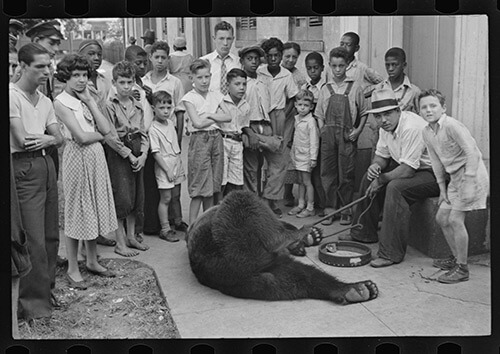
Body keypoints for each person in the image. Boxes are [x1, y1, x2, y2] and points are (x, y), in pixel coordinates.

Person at [348, 88, 440, 267]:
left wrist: (381, 179)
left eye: (388, 114)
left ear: (398, 111)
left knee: (395, 188)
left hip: (435, 174)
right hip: (411, 167)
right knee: (369, 176)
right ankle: (363, 233)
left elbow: (407, 171)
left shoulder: (412, 127)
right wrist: (375, 167)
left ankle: (390, 253)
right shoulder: (386, 127)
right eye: (379, 116)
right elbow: (382, 156)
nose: (383, 120)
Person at [53, 54, 118, 288]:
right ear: (65, 77)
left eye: (84, 75)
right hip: (77, 157)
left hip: (95, 157)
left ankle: (91, 260)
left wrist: (90, 101)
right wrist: (101, 137)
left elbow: (107, 127)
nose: (81, 80)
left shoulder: (84, 98)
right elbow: (81, 136)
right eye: (75, 76)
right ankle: (72, 267)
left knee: (93, 207)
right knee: (77, 210)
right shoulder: (60, 102)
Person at [10, 43, 64, 322]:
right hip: (23, 167)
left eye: (49, 65)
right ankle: (31, 306)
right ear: (22, 66)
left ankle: (47, 291)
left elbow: (60, 137)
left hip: (46, 164)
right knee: (32, 238)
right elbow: (23, 140)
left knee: (50, 235)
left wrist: (50, 139)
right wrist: (50, 138)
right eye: (39, 66)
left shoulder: (44, 100)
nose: (46, 71)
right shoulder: (11, 95)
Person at [420, 89, 489, 283]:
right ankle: (456, 259)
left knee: (455, 219)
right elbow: (435, 161)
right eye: (424, 107)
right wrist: (442, 188)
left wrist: (469, 181)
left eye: (433, 105)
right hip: (454, 179)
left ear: (443, 108)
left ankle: (462, 269)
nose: (428, 110)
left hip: (472, 175)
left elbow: (472, 153)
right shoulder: (426, 132)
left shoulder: (452, 126)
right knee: (442, 218)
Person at [314, 47, 368, 226]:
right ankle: (330, 209)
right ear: (329, 66)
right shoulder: (325, 89)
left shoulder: (355, 88)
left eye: (341, 66)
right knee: (327, 173)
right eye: (334, 66)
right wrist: (322, 130)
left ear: (347, 66)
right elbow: (319, 114)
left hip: (347, 136)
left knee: (346, 173)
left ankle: (345, 209)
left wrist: (358, 130)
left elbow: (364, 112)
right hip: (328, 137)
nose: (338, 70)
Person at [103, 61, 150, 257]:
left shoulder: (137, 105)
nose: (126, 87)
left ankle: (131, 236)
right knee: (122, 196)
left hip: (137, 148)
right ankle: (120, 241)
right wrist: (128, 154)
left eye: (129, 82)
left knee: (136, 195)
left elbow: (144, 132)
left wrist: (143, 154)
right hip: (119, 152)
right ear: (114, 82)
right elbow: (110, 136)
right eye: (121, 82)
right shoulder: (109, 105)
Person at [142, 41, 189, 235]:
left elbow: (179, 112)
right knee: (158, 187)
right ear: (151, 58)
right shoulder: (144, 81)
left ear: (168, 59)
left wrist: (178, 140)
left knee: (175, 189)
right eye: (156, 57)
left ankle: (176, 220)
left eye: (163, 57)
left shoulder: (174, 82)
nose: (160, 61)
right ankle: (158, 224)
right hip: (151, 137)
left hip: (170, 138)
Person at [180, 59, 231, 224]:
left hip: (216, 138)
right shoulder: (189, 98)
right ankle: (193, 225)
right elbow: (197, 123)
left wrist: (209, 115)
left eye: (207, 77)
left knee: (213, 185)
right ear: (192, 78)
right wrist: (215, 116)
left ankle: (207, 224)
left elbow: (228, 116)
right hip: (200, 140)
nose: (204, 81)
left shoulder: (216, 95)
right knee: (199, 186)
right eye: (200, 77)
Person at [257, 37, 299, 217]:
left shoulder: (286, 75)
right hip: (259, 117)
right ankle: (257, 201)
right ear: (265, 56)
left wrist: (283, 115)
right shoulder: (259, 72)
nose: (273, 59)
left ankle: (269, 201)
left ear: (281, 56)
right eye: (270, 55)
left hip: (278, 117)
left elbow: (292, 98)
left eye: (277, 55)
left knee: (279, 161)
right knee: (256, 162)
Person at [239, 45, 282, 198]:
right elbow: (239, 111)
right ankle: (253, 201)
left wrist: (275, 132)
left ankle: (269, 199)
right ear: (242, 61)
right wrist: (248, 132)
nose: (253, 62)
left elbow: (272, 106)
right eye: (249, 59)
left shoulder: (264, 80)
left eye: (256, 59)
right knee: (252, 167)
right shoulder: (241, 83)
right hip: (250, 126)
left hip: (266, 125)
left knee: (277, 163)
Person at [148, 91, 186, 242]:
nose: (165, 111)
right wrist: (167, 169)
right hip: (164, 165)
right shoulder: (153, 129)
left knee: (176, 195)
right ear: (153, 108)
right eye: (161, 107)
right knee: (166, 198)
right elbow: (156, 153)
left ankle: (178, 221)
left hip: (175, 161)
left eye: (168, 107)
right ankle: (165, 228)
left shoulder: (170, 123)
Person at [281, 42, 308, 208]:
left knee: (288, 153)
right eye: (287, 56)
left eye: (294, 57)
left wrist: (285, 114)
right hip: (271, 116)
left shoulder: (298, 77)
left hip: (290, 118)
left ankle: (287, 192)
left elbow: (296, 99)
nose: (291, 60)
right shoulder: (274, 71)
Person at [217, 68, 252, 196]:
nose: (241, 88)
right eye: (237, 84)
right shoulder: (221, 103)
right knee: (222, 178)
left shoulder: (246, 105)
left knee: (236, 179)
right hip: (223, 142)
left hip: (237, 144)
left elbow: (244, 125)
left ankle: (232, 208)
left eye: (244, 84)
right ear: (227, 85)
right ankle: (219, 208)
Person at [287, 89, 319, 218]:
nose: (302, 108)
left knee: (307, 181)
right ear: (295, 105)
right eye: (300, 105)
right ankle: (300, 204)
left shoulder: (311, 122)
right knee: (300, 181)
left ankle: (310, 207)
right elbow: (295, 138)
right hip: (298, 155)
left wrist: (313, 158)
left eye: (306, 106)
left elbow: (314, 141)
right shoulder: (296, 119)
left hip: (306, 156)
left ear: (311, 107)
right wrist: (293, 154)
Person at [303, 51, 327, 217]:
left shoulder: (326, 88)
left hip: (321, 131)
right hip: (307, 133)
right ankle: (313, 202)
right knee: (309, 171)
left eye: (316, 68)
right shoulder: (305, 88)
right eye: (309, 68)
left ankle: (323, 203)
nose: (313, 71)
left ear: (322, 68)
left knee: (321, 171)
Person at [200, 21, 240, 95]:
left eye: (228, 39)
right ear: (214, 38)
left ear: (233, 39)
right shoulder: (203, 61)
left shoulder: (239, 63)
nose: (225, 43)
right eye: (221, 38)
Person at [78, 39, 113, 113]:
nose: (96, 58)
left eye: (99, 55)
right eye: (91, 54)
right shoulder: (75, 83)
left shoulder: (105, 80)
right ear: (80, 56)